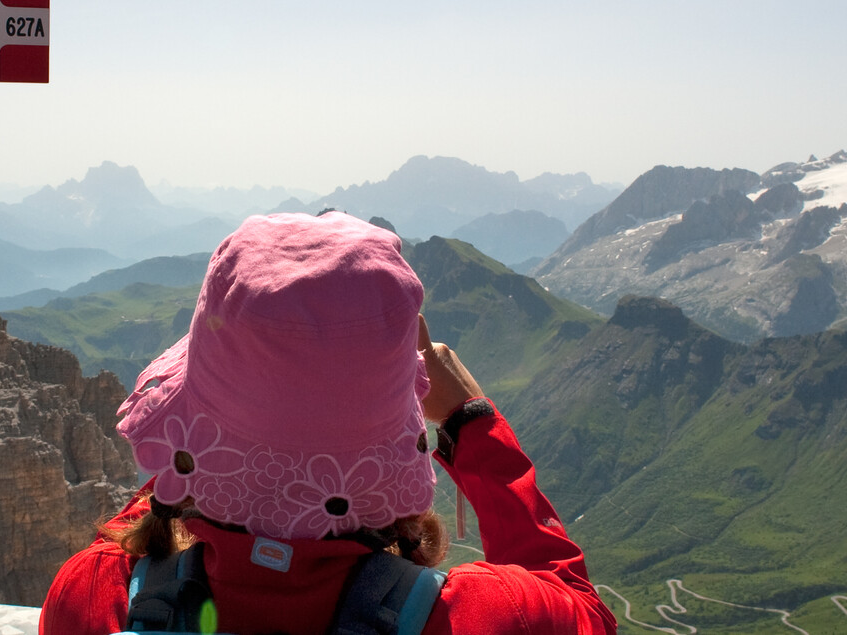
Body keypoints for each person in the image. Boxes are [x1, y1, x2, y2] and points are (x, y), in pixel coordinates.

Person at [40, 212, 618, 635]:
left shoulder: (93, 598)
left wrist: (206, 440)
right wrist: (471, 421)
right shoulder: (479, 617)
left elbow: (140, 523)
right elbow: (582, 606)